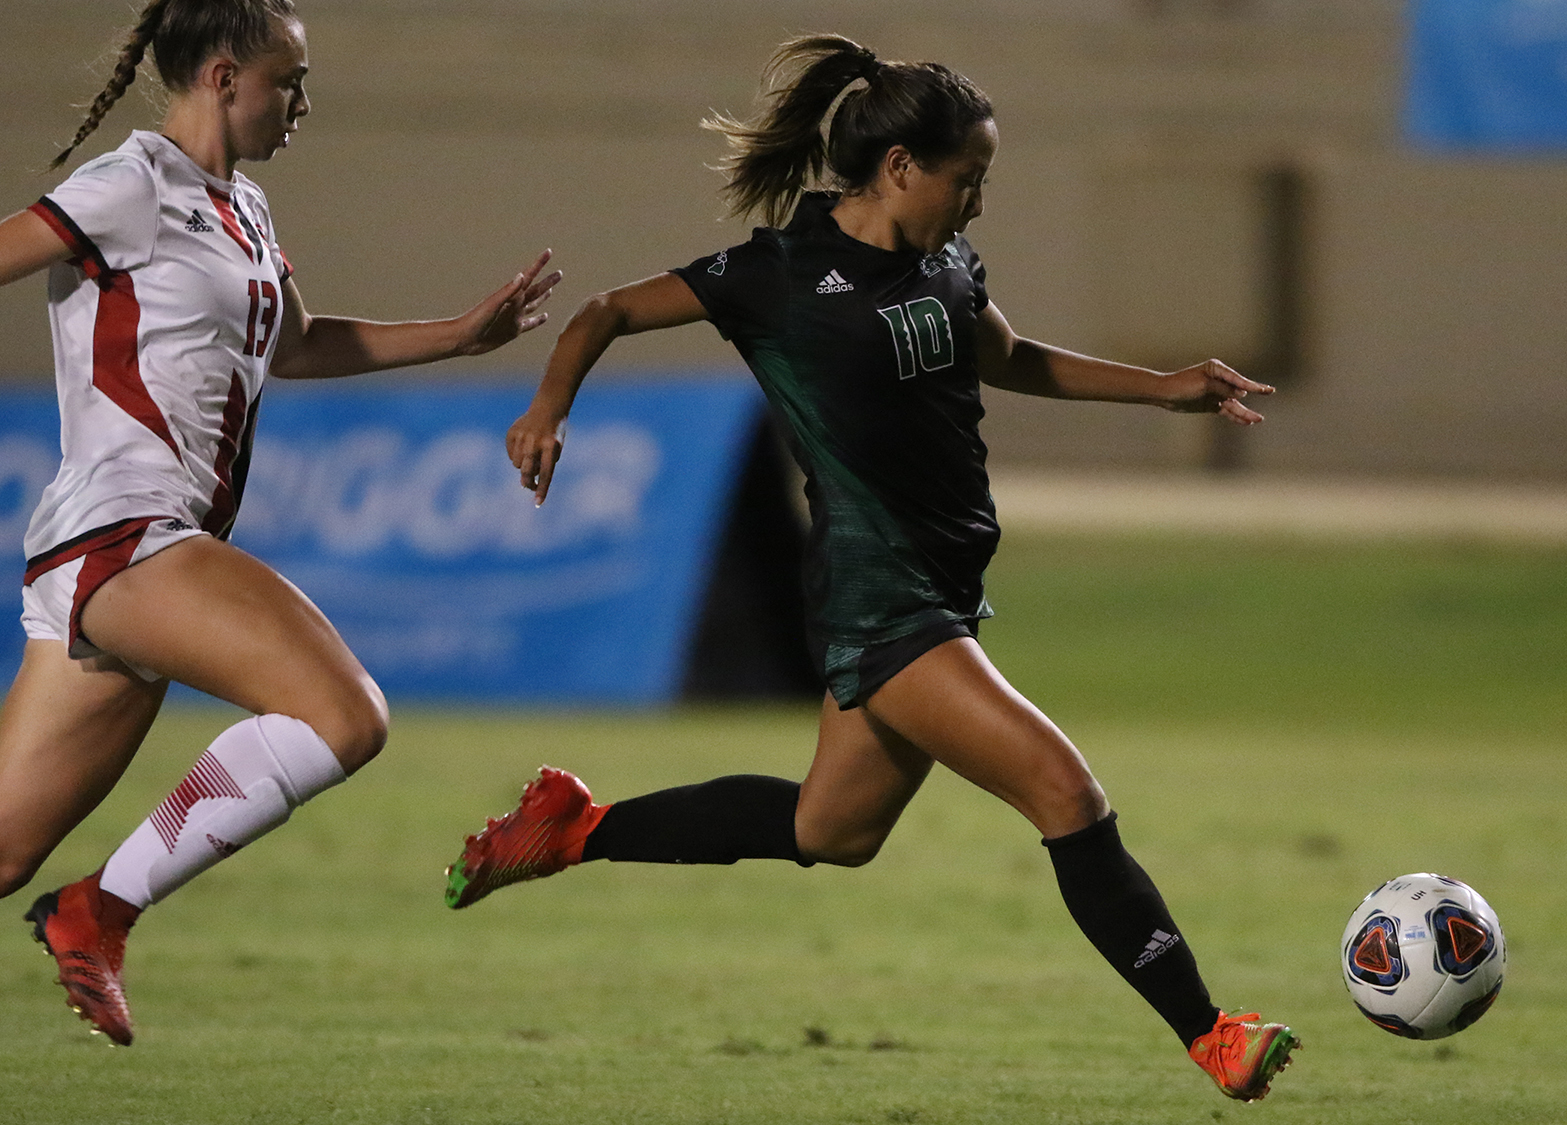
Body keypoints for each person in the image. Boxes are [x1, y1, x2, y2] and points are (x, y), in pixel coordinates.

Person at [447, 34, 1294, 1102]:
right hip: (879, 594)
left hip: (942, 587)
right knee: (1064, 790)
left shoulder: (945, 265)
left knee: (831, 828)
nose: (976, 200)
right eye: (967, 177)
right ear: (899, 167)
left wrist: (1161, 387)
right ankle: (1211, 1034)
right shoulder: (780, 274)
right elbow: (606, 309)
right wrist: (547, 407)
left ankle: (571, 828)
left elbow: (1007, 356)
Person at [0, 0, 559, 1046]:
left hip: (124, 557)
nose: (302, 102)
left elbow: (295, 346)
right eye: (289, 80)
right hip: (124, 533)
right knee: (345, 716)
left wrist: (458, 336)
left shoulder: (242, 208)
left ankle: (92, 904)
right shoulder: (131, 183)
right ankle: (98, 909)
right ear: (224, 77)